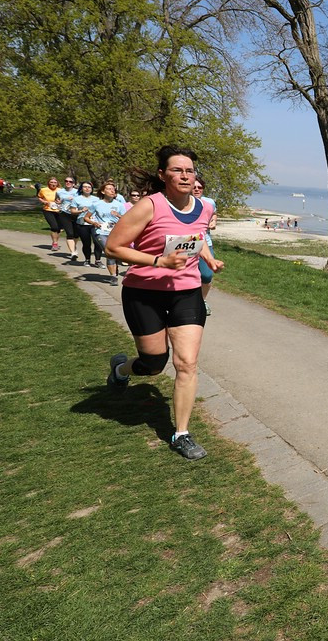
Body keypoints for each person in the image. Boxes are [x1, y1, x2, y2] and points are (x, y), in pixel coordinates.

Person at [104, 145, 223, 461]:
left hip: (186, 292)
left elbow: (196, 240)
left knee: (186, 363)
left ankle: (181, 433)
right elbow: (113, 247)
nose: (185, 175)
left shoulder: (204, 208)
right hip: (144, 293)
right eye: (177, 170)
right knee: (154, 364)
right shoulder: (149, 206)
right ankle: (121, 368)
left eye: (189, 170)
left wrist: (210, 259)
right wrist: (158, 261)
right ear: (162, 175)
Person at [85, 181, 126, 286]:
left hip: (115, 232)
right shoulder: (96, 204)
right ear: (103, 191)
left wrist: (118, 215)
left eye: (113, 189)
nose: (112, 191)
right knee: (109, 252)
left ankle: (114, 269)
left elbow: (126, 219)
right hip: (100, 231)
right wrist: (94, 223)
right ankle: (113, 277)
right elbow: (86, 217)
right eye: (109, 189)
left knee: (114, 254)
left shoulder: (119, 205)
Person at [191, 175, 217, 315]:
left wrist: (213, 222)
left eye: (199, 187)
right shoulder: (182, 202)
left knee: (206, 275)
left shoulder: (209, 202)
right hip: (186, 243)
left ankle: (202, 300)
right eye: (194, 187)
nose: (196, 189)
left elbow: (213, 214)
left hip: (206, 242)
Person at [69, 181, 103, 267]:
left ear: (92, 189)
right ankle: (87, 260)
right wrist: (81, 211)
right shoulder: (77, 199)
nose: (87, 189)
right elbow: (72, 211)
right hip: (82, 224)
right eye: (85, 187)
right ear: (81, 188)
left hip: (95, 223)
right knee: (86, 243)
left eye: (89, 187)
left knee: (98, 242)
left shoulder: (97, 199)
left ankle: (98, 260)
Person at [55, 176, 81, 261]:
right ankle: (73, 253)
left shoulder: (78, 192)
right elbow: (57, 201)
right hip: (64, 213)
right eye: (66, 181)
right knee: (69, 233)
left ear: (73, 183)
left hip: (76, 214)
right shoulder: (59, 191)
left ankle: (73, 246)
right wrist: (58, 202)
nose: (68, 182)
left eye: (70, 181)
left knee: (76, 234)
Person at [37, 177, 62, 250]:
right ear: (48, 183)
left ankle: (56, 243)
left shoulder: (61, 190)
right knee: (54, 227)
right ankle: (54, 244)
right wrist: (44, 202)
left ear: (57, 183)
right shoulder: (43, 190)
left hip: (59, 211)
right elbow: (39, 197)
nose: (53, 184)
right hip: (48, 210)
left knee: (58, 228)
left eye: (55, 182)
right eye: (51, 182)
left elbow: (65, 200)